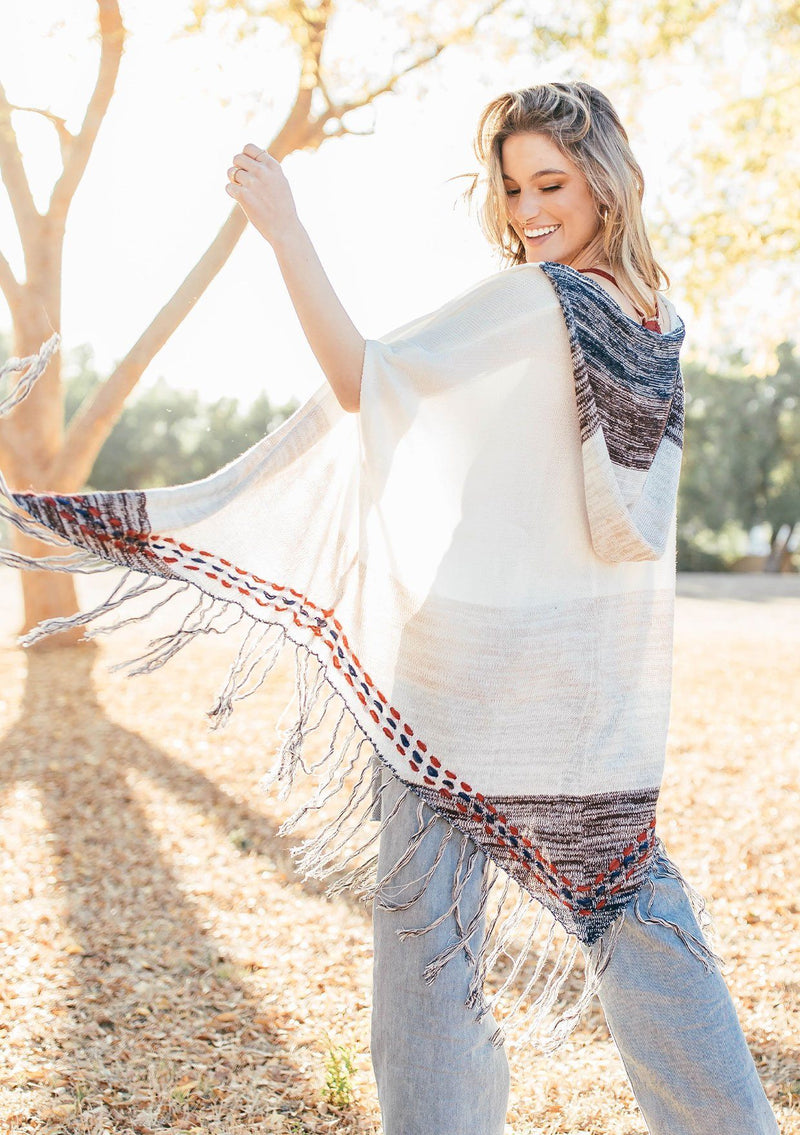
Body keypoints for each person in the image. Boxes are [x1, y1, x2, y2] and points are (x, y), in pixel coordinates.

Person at [224, 81, 780, 1135]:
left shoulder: (535, 303)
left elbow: (360, 379)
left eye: (551, 185)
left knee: (425, 971)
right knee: (638, 915)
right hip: (587, 689)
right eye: (513, 186)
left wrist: (283, 227)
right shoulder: (655, 321)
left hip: (460, 681)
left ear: (607, 186)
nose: (526, 211)